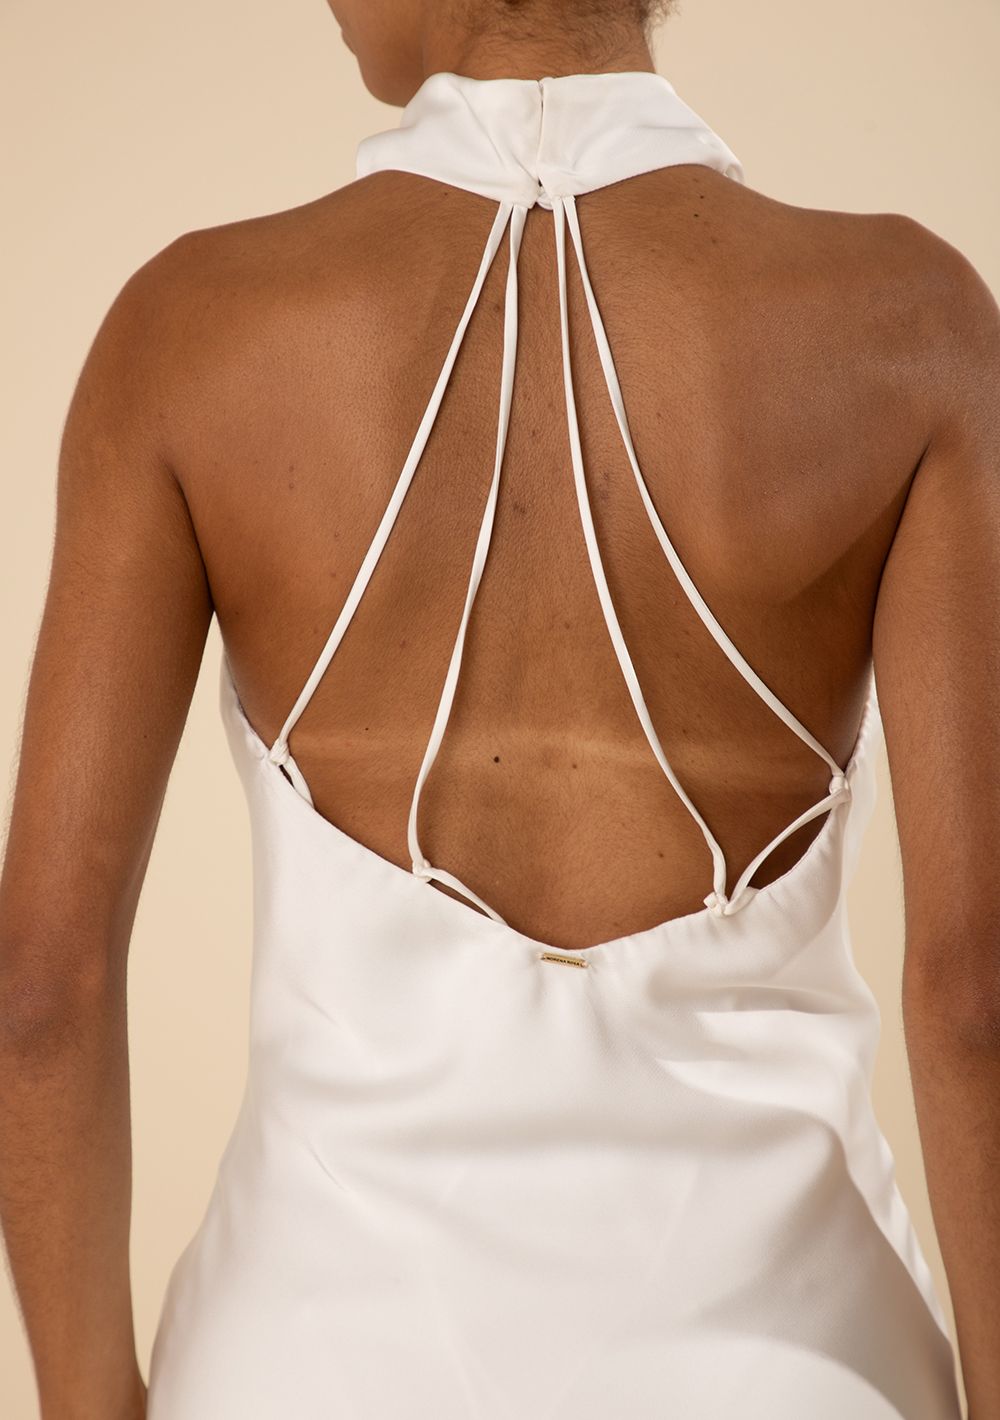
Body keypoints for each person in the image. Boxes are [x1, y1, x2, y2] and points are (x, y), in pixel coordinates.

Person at [1, 0, 998, 1414]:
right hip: (793, 1368)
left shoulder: (187, 334)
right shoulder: (914, 327)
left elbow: (40, 994)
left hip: (311, 1365)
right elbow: (976, 997)